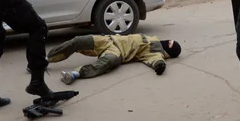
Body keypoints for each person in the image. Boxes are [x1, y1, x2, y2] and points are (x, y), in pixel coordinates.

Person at [45, 34, 182, 83]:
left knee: (109, 61)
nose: (169, 40)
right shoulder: (155, 38)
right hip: (108, 39)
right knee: (78, 41)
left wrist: (160, 66)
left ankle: (75, 74)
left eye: (171, 42)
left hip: (116, 52)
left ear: (170, 48)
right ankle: (47, 59)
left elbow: (156, 61)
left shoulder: (156, 53)